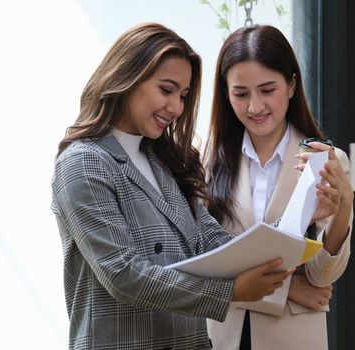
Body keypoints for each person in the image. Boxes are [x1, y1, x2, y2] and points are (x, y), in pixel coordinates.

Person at [51, 22, 294, 350]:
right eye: (166, 90)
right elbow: (122, 274)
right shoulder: (84, 162)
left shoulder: (164, 161)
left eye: (182, 95)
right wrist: (230, 292)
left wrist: (299, 219)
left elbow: (215, 242)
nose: (177, 108)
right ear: (127, 77)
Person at [204, 25, 354, 350]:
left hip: (293, 339)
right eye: (241, 94)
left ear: (291, 85)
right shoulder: (205, 162)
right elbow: (199, 266)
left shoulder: (327, 161)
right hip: (219, 337)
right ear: (225, 93)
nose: (254, 107)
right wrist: (287, 291)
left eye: (267, 90)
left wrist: (343, 209)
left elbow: (321, 279)